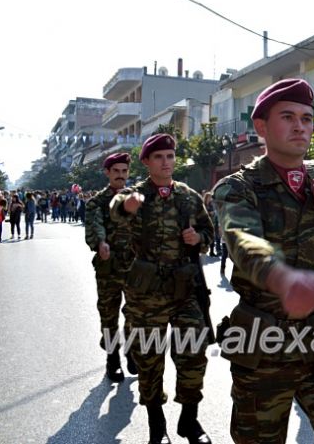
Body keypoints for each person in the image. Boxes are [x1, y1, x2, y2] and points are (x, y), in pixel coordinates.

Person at [212, 78, 314, 444]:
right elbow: (242, 242)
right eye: (288, 116)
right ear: (262, 127)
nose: (300, 126)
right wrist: (283, 280)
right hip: (262, 344)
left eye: (307, 118)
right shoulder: (237, 188)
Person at [110, 134, 214, 444]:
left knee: (194, 352)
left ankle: (189, 420)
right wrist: (127, 207)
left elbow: (209, 230)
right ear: (146, 162)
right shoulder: (135, 194)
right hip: (147, 293)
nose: (166, 162)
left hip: (185, 288)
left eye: (170, 156)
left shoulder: (188, 196)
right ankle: (157, 424)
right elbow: (117, 210)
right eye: (159, 157)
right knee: (149, 358)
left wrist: (200, 239)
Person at [85, 153, 137, 383]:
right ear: (107, 173)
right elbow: (94, 226)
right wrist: (101, 242)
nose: (121, 176)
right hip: (109, 268)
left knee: (135, 313)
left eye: (124, 171)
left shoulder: (136, 199)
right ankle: (112, 358)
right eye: (116, 171)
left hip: (135, 268)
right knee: (109, 316)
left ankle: (131, 350)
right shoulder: (97, 202)